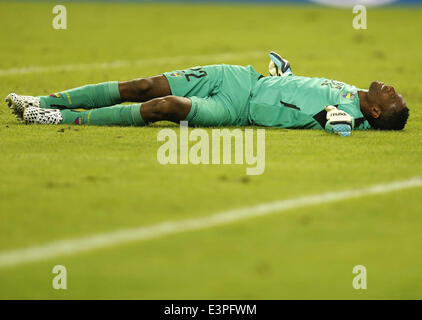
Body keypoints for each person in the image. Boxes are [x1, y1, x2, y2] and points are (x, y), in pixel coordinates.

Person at [5, 52, 409, 136]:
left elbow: (334, 124)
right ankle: (43, 100)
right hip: (238, 76)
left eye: (394, 99)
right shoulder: (353, 92)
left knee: (163, 107)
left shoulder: (350, 113)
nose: (393, 90)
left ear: (375, 112)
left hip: (237, 107)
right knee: (141, 85)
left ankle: (57, 118)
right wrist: (285, 74)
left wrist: (342, 123)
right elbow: (298, 92)